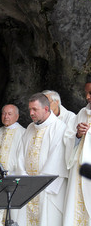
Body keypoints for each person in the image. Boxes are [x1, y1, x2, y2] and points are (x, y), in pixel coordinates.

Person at [15, 93, 68, 226]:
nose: (31, 113)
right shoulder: (30, 128)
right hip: (27, 187)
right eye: (30, 109)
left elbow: (57, 159)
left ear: (46, 109)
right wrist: (24, 178)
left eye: (35, 109)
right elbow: (20, 155)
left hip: (46, 189)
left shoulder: (59, 127)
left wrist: (39, 183)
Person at [63, 78, 91, 225]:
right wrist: (78, 135)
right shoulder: (81, 113)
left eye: (90, 93)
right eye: (86, 93)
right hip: (78, 170)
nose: (87, 97)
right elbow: (68, 137)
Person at [0, 104, 25, 174]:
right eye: (4, 114)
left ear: (17, 117)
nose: (6, 117)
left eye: (9, 114)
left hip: (14, 175)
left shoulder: (23, 133)